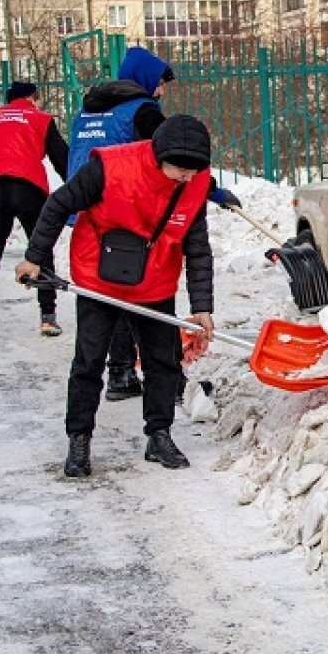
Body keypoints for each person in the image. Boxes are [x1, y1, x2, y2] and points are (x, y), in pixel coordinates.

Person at [15, 114, 216, 478]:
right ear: (158, 156)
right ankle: (79, 440)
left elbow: (197, 246)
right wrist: (33, 257)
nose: (186, 178)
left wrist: (202, 307)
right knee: (89, 363)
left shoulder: (195, 183)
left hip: (155, 279)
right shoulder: (109, 168)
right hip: (98, 279)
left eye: (193, 171)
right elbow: (59, 204)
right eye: (179, 170)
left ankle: (159, 435)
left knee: (162, 363)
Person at [67, 46, 240, 402]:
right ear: (145, 80)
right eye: (160, 83)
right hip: (131, 210)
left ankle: (121, 372)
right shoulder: (142, 110)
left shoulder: (88, 109)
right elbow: (175, 156)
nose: (161, 92)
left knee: (110, 290)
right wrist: (212, 191)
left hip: (92, 210)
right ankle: (162, 377)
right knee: (142, 292)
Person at [0, 81, 68, 340]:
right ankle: (48, 318)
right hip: (28, 187)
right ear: (32, 98)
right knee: (40, 250)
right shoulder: (39, 118)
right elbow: (62, 159)